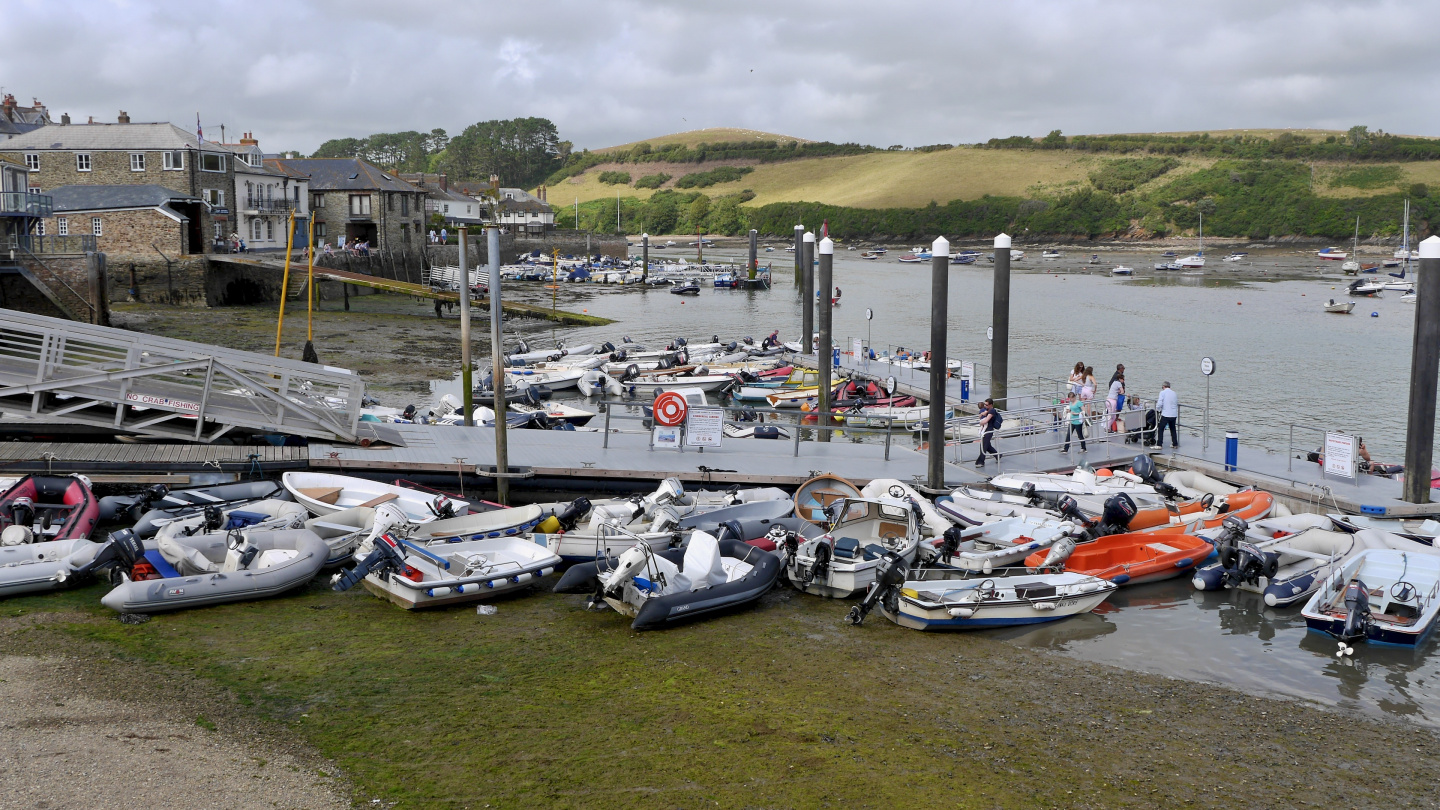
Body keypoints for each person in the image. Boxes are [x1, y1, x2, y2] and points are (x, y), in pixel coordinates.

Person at [975, 398, 1002, 467]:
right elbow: (980, 416)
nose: (985, 406)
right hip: (985, 430)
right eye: (984, 404)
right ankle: (998, 455)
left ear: (991, 405)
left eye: (986, 405)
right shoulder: (986, 410)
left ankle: (980, 462)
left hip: (989, 430)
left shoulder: (992, 411)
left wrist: (981, 423)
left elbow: (986, 420)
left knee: (984, 446)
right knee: (987, 445)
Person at [1155, 382, 1179, 449]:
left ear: (1163, 386)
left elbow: (1159, 403)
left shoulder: (1162, 393)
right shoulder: (1174, 393)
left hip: (1166, 414)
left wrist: (1157, 409)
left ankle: (1159, 444)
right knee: (1173, 429)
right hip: (1173, 414)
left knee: (1161, 428)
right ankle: (1175, 444)